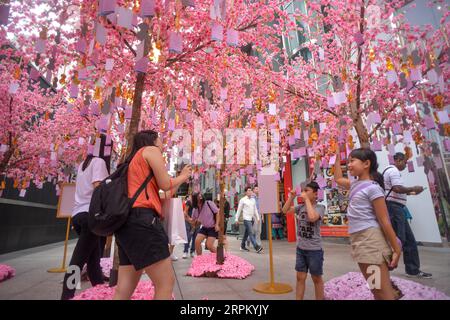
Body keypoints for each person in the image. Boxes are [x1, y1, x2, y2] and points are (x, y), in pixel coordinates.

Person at [113, 130, 192, 300]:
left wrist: (178, 181)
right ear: (153, 141)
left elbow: (163, 194)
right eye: (161, 140)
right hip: (143, 223)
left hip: (127, 225)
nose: (162, 144)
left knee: (124, 289)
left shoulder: (133, 163)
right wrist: (183, 176)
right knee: (166, 283)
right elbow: (165, 184)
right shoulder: (151, 150)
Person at [334, 148, 402, 300]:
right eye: (348, 161)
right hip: (360, 241)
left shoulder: (373, 188)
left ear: (366, 163)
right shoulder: (355, 184)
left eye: (352, 161)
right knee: (375, 290)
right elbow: (338, 179)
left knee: (382, 292)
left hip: (370, 241)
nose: (348, 165)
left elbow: (384, 220)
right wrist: (337, 160)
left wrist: (397, 249)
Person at [60, 153, 109, 300]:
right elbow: (98, 187)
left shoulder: (83, 165)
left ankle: (100, 291)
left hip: (78, 215)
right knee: (78, 261)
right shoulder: (99, 162)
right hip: (90, 216)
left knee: (93, 260)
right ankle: (66, 296)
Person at [383, 152, 432, 278]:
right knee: (399, 240)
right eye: (405, 162)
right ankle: (385, 267)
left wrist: (413, 192)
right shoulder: (393, 171)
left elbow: (397, 191)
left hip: (396, 208)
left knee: (407, 240)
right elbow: (397, 189)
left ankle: (412, 269)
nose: (405, 165)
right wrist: (413, 187)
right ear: (398, 160)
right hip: (394, 208)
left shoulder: (391, 171)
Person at [282, 182, 326, 300]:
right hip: (301, 248)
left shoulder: (320, 207)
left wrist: (306, 200)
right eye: (303, 191)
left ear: (316, 194)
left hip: (315, 250)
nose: (304, 193)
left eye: (307, 191)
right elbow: (285, 210)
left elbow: (312, 218)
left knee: (316, 278)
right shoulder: (300, 207)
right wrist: (291, 197)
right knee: (300, 277)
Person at [235, 187, 263, 253]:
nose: (250, 192)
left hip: (252, 219)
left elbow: (255, 209)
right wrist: (236, 219)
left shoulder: (253, 200)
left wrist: (258, 218)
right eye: (248, 190)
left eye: (250, 190)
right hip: (246, 219)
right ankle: (257, 247)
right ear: (245, 192)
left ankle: (242, 246)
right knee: (251, 233)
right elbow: (239, 210)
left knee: (246, 234)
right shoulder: (243, 200)